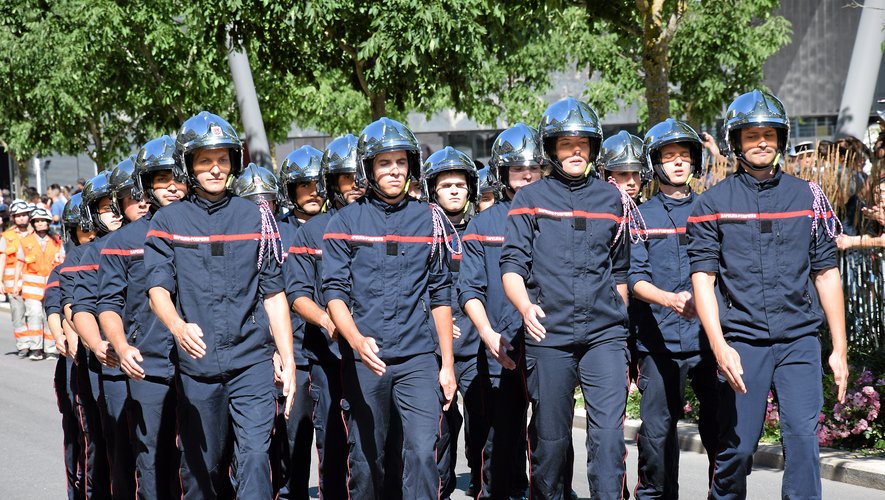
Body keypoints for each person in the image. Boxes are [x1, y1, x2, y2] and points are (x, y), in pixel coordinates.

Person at [687, 89, 848, 499]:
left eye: (770, 134)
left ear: (781, 138)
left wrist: (839, 349)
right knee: (738, 449)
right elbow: (702, 280)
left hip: (799, 342)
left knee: (802, 441)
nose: (761, 142)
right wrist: (719, 346)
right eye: (752, 134)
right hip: (742, 342)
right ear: (735, 141)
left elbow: (826, 273)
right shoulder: (712, 203)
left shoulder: (807, 196)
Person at [145, 111, 296, 498]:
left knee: (255, 456)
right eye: (205, 160)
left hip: (252, 363)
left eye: (223, 159)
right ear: (188, 165)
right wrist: (178, 326)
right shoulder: (167, 221)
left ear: (235, 162)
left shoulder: (257, 217)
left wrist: (287, 356)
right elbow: (158, 289)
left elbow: (274, 293)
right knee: (204, 469)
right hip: (198, 366)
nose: (215, 169)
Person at [501, 97, 631, 500]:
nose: (576, 151)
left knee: (609, 437)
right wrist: (525, 307)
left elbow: (622, 269)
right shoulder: (529, 198)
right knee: (551, 442)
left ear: (593, 148)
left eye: (583, 144)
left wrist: (620, 319)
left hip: (604, 335)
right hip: (549, 334)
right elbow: (511, 266)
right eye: (566, 144)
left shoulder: (613, 200)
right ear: (551, 149)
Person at [322, 117, 456, 499]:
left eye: (401, 162)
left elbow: (440, 294)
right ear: (368, 168)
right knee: (367, 462)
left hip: (418, 358)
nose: (395, 170)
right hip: (367, 359)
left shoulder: (430, 220)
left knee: (421, 453)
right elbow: (334, 293)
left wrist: (446, 365)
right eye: (385, 162)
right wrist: (356, 340)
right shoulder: (343, 222)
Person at [629, 118, 718, 498]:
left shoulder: (712, 208)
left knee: (722, 432)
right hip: (658, 343)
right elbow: (634, 279)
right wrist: (669, 299)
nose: (678, 163)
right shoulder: (640, 216)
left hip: (708, 342)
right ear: (655, 163)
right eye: (669, 157)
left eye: (685, 156)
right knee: (656, 437)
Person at [96, 135, 186, 500]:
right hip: (148, 365)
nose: (171, 186)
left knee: (205, 457)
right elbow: (108, 303)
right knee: (152, 457)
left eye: (176, 176)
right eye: (161, 178)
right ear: (146, 184)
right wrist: (120, 344)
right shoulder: (121, 241)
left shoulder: (206, 228)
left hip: (204, 363)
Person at [459, 122, 542, 499]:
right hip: (500, 348)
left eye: (534, 168)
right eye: (517, 169)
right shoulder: (483, 225)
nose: (527, 175)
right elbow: (469, 289)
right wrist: (489, 334)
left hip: (548, 347)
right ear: (501, 173)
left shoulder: (555, 216)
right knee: (500, 438)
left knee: (548, 434)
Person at [286, 133, 365, 499]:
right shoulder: (312, 230)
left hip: (380, 353)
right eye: (346, 178)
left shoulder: (385, 224)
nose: (355, 185)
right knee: (333, 442)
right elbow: (297, 294)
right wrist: (326, 319)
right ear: (332, 182)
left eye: (359, 175)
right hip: (327, 355)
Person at [422, 146, 485, 499]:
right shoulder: (421, 233)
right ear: (433, 190)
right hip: (434, 348)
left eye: (460, 184)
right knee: (439, 428)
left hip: (476, 346)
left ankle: (482, 483)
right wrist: (437, 327)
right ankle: (440, 489)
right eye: (446, 185)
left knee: (482, 423)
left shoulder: (481, 229)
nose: (455, 191)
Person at [72, 166, 134, 498]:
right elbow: (81, 307)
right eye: (105, 207)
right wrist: (97, 344)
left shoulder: (154, 237)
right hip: (112, 364)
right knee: (120, 451)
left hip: (161, 361)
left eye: (118, 204)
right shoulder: (90, 254)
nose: (113, 213)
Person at [15, 207, 64, 360]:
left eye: (43, 220)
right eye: (37, 221)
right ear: (33, 223)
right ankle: (36, 348)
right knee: (35, 315)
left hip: (51, 286)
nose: (40, 223)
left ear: (48, 222)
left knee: (50, 315)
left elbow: (62, 261)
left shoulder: (56, 241)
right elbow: (19, 263)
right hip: (31, 288)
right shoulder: (26, 241)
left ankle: (50, 348)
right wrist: (17, 283)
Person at [1, 200, 34, 357]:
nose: (21, 218)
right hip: (11, 281)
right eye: (18, 216)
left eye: (24, 215)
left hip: (32, 280)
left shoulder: (36, 234)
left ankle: (36, 345)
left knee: (35, 313)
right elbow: (2, 260)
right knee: (17, 313)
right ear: (13, 217)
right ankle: (23, 345)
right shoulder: (6, 237)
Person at [597, 130, 649, 202]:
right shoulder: (594, 211)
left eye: (636, 173)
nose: (631, 182)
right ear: (605, 176)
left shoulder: (652, 211)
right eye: (623, 174)